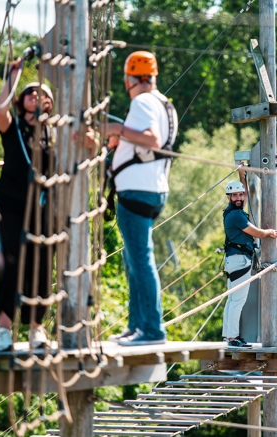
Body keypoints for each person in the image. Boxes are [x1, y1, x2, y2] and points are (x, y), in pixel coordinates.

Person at [103, 51, 179, 346]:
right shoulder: (165, 104)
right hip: (153, 188)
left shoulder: (143, 101)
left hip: (137, 190)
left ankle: (151, 330)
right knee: (133, 259)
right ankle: (136, 325)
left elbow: (151, 139)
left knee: (141, 261)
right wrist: (123, 140)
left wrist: (115, 129)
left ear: (129, 80)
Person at [0, 57, 56, 351]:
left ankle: (36, 329)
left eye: (42, 93)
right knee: (10, 263)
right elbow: (0, 109)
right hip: (11, 205)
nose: (35, 95)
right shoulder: (13, 127)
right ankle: (4, 330)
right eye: (30, 92)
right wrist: (13, 76)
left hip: (42, 207)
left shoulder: (53, 132)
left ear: (49, 104)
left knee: (40, 266)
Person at [222, 168, 277, 347]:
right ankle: (232, 338)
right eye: (235, 195)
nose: (239, 198)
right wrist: (270, 233)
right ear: (229, 197)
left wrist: (241, 176)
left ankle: (229, 336)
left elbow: (245, 194)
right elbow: (258, 234)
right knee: (237, 300)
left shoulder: (232, 211)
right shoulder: (236, 215)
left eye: (241, 195)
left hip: (234, 259)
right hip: (239, 260)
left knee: (233, 300)